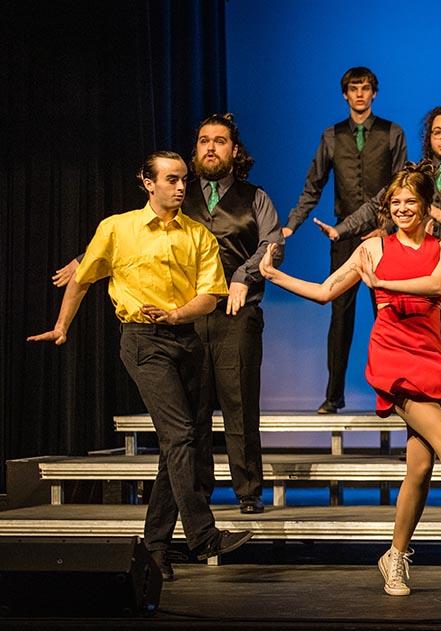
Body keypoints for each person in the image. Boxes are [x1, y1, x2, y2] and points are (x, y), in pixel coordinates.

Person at [260, 163, 441, 596]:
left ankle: (394, 555)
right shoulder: (372, 249)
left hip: (429, 354)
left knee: (421, 466)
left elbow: (435, 284)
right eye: (396, 203)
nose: (403, 208)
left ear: (427, 206)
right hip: (392, 355)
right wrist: (275, 276)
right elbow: (324, 292)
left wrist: (384, 281)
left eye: (411, 202)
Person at [29, 152, 253, 581]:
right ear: (148, 183)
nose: (181, 186)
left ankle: (154, 550)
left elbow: (210, 296)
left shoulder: (198, 234)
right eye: (171, 179)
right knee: (180, 435)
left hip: (185, 341)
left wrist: (175, 315)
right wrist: (61, 327)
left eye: (184, 179)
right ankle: (202, 535)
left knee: (177, 448)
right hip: (143, 342)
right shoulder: (117, 229)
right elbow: (83, 277)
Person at [53, 114, 283, 515]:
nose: (211, 147)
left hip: (236, 313)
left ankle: (248, 491)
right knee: (191, 411)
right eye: (203, 141)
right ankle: (197, 491)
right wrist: (82, 260)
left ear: (235, 150)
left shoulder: (254, 197)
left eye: (220, 141)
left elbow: (271, 244)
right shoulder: (178, 192)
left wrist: (244, 276)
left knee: (239, 403)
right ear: (195, 151)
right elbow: (134, 238)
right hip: (185, 314)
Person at [318, 106, 441, 460]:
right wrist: (341, 230)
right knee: (422, 361)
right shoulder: (415, 177)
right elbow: (377, 205)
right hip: (417, 278)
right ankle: (419, 439)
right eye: (438, 132)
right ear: (428, 137)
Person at [282, 66, 407, 415]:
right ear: (345, 95)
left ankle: (394, 395)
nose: (360, 95)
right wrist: (291, 224)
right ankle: (333, 396)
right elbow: (313, 185)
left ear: (374, 93)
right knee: (340, 315)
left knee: (387, 314)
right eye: (354, 89)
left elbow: (401, 184)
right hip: (344, 236)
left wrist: (385, 228)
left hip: (384, 236)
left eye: (366, 89)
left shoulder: (392, 132)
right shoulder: (332, 135)